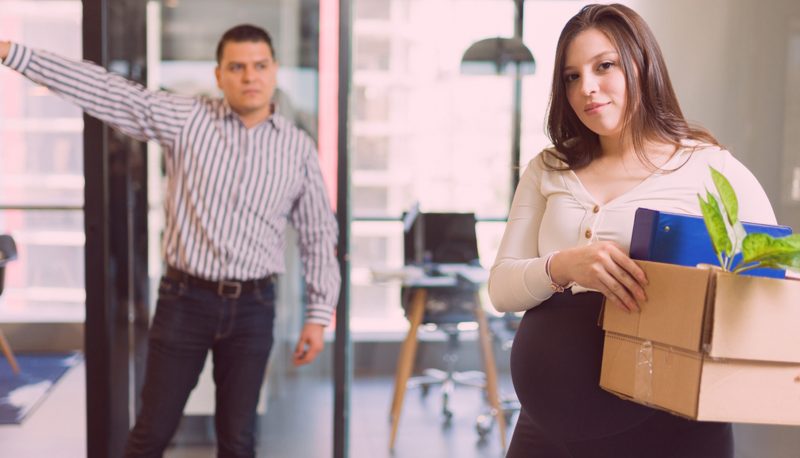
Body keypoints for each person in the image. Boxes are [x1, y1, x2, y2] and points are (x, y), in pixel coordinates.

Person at [1, 24, 340, 457]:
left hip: (254, 310)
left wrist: (318, 313)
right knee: (151, 433)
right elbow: (106, 91)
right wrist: (12, 51)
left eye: (259, 66)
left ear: (274, 71)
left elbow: (317, 233)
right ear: (219, 76)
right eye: (236, 67)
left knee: (239, 440)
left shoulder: (298, 149)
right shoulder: (188, 119)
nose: (249, 77)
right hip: (186, 302)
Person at [488, 4, 777, 458]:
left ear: (642, 65)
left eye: (605, 66)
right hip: (544, 432)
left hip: (668, 432)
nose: (587, 88)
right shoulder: (548, 168)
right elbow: (502, 289)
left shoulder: (709, 168)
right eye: (571, 76)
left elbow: (776, 284)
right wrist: (564, 265)